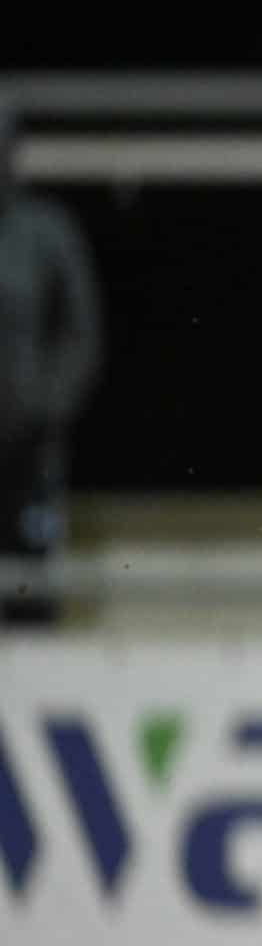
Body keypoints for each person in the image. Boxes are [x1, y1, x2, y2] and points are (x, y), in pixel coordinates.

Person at [0, 123, 104, 627]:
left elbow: (81, 335)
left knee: (32, 593)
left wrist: (43, 402)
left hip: (29, 454)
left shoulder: (46, 230)